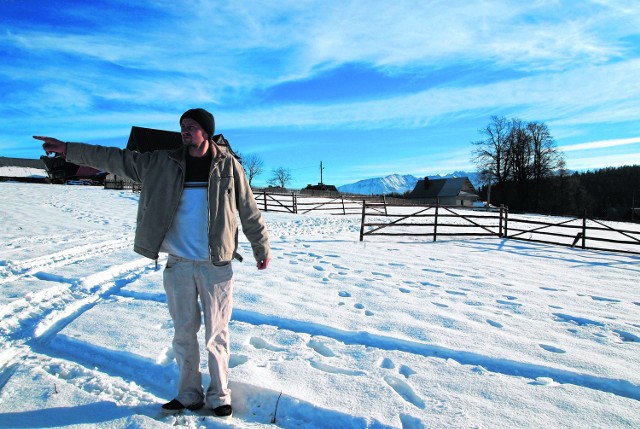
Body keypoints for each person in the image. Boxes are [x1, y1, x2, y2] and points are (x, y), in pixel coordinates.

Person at [34, 108, 271, 418]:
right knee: (184, 332)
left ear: (207, 132)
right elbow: (113, 157)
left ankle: (220, 394)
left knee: (217, 333)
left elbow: (248, 210)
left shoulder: (228, 166)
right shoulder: (161, 163)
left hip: (217, 265)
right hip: (179, 264)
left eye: (192, 126)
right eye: (182, 126)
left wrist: (260, 246)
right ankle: (188, 394)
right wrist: (68, 150)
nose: (185, 131)